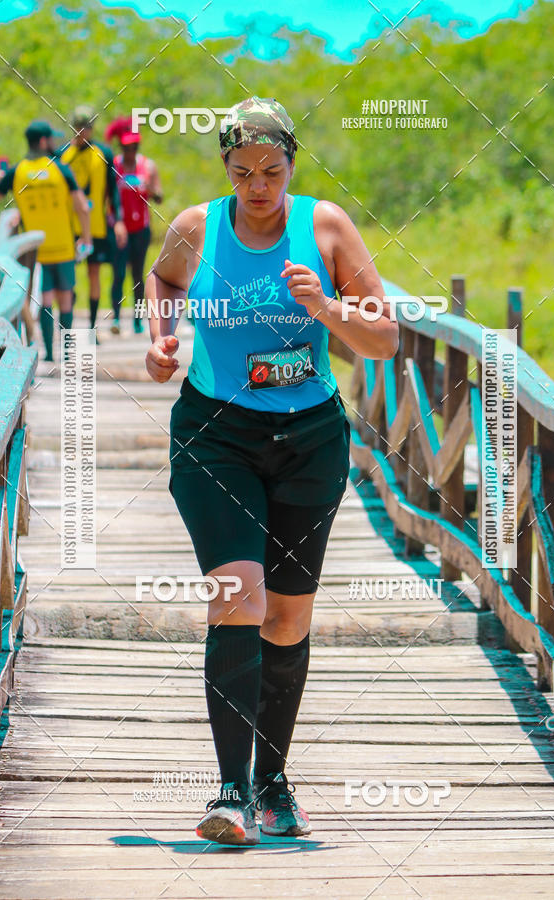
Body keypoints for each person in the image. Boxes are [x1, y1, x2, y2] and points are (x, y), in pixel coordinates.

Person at [144, 96, 398, 846]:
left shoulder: (325, 228)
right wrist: (162, 340)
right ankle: (231, 793)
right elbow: (162, 282)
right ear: (226, 167)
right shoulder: (197, 227)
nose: (259, 186)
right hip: (215, 435)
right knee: (239, 598)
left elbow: (382, 339)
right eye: (243, 171)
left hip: (310, 440)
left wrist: (325, 308)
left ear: (293, 163)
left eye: (273, 170)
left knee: (287, 616)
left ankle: (275, 782)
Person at [0, 120, 92, 362]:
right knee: (65, 297)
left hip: (34, 250)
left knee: (44, 299)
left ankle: (47, 353)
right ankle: (67, 353)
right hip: (64, 246)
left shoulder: (17, 171)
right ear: (44, 141)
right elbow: (82, 208)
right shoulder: (61, 169)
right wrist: (86, 238)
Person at [59, 106, 127, 331]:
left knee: (94, 272)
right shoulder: (63, 154)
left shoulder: (104, 153)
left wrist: (117, 220)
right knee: (68, 275)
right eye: (78, 127)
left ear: (92, 129)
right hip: (69, 226)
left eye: (86, 127)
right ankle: (67, 323)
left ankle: (91, 327)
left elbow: (113, 189)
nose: (82, 132)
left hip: (96, 226)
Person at [111, 130, 162, 334]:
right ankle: (115, 318)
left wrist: (150, 189)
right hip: (120, 229)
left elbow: (159, 196)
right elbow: (109, 197)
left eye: (134, 148)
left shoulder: (148, 166)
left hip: (141, 229)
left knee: (138, 276)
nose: (130, 152)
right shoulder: (115, 165)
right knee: (119, 273)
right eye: (126, 148)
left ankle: (137, 319)